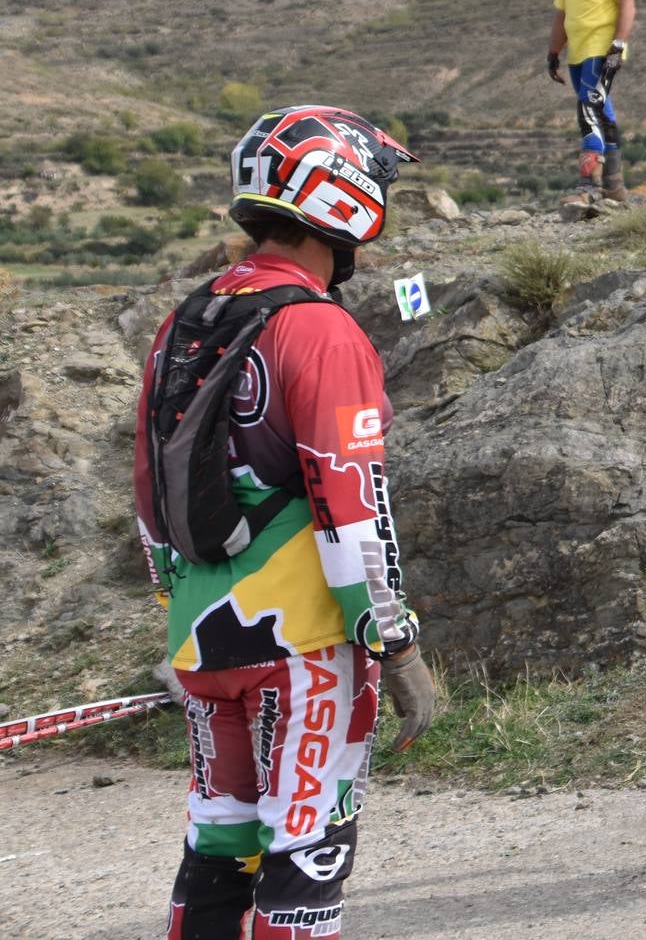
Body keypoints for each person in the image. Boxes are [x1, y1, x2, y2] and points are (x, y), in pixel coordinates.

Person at [135, 105, 434, 939]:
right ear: (340, 200)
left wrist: (178, 622)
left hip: (200, 635)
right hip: (301, 642)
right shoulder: (319, 329)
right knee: (308, 856)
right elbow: (352, 504)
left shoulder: (185, 320)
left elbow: (147, 499)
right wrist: (397, 642)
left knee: (219, 844)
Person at [546, 0, 638, 199]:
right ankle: (615, 185)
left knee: (587, 107)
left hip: (603, 51)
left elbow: (627, 4)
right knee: (601, 111)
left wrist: (617, 45)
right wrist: (553, 52)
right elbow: (562, 14)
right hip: (578, 52)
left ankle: (590, 184)